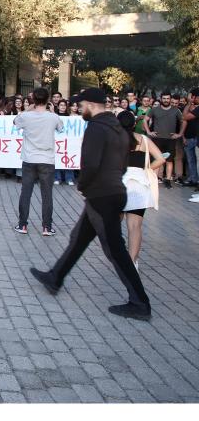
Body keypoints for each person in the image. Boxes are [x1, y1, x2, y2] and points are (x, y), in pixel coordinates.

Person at [30, 87, 152, 321]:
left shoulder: (97, 127)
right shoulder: (118, 128)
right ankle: (55, 277)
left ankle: (140, 303)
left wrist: (82, 186)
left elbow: (90, 164)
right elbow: (124, 164)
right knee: (78, 238)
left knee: (115, 250)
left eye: (82, 104)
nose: (79, 108)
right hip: (114, 191)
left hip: (101, 195)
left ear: (93, 105)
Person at [118, 110, 165, 271]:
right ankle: (133, 262)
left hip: (118, 184)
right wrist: (147, 169)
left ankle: (118, 255)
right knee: (135, 226)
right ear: (133, 124)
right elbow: (161, 158)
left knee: (114, 224)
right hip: (139, 185)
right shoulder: (144, 139)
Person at [13, 88, 63, 236]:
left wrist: (28, 108)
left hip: (29, 159)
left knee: (26, 192)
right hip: (47, 160)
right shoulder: (52, 117)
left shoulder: (27, 116)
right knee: (47, 194)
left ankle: (22, 225)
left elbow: (15, 121)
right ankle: (47, 227)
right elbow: (61, 127)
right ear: (48, 100)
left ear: (33, 99)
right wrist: (53, 112)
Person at [144, 91, 184, 188]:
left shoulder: (176, 110)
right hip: (157, 139)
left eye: (168, 98)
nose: (166, 100)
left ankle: (168, 180)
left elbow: (183, 121)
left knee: (169, 160)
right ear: (161, 99)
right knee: (157, 159)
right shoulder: (154, 109)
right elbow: (145, 119)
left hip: (170, 139)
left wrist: (179, 134)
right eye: (164, 98)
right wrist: (149, 132)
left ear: (170, 99)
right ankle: (155, 179)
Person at [53, 99, 75, 186]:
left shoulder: (70, 117)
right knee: (57, 158)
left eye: (64, 105)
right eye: (61, 105)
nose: (63, 107)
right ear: (58, 106)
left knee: (69, 158)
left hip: (68, 141)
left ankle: (69, 178)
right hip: (56, 141)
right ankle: (57, 178)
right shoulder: (54, 116)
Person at [182, 88, 199, 188]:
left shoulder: (197, 109)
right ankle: (194, 180)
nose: (193, 99)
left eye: (193, 97)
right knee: (191, 161)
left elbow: (185, 117)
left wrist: (189, 103)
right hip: (190, 137)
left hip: (196, 138)